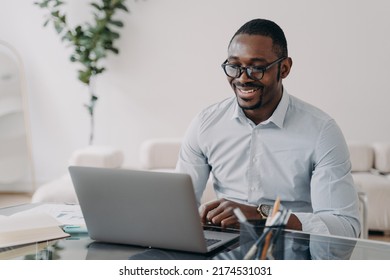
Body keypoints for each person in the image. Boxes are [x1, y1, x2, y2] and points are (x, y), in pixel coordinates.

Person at [176, 18, 361, 238]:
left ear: (284, 68)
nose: (243, 78)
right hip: (224, 250)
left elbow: (344, 229)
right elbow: (178, 207)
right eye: (234, 66)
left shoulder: (322, 131)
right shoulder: (205, 124)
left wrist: (263, 216)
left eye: (257, 68)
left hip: (291, 251)